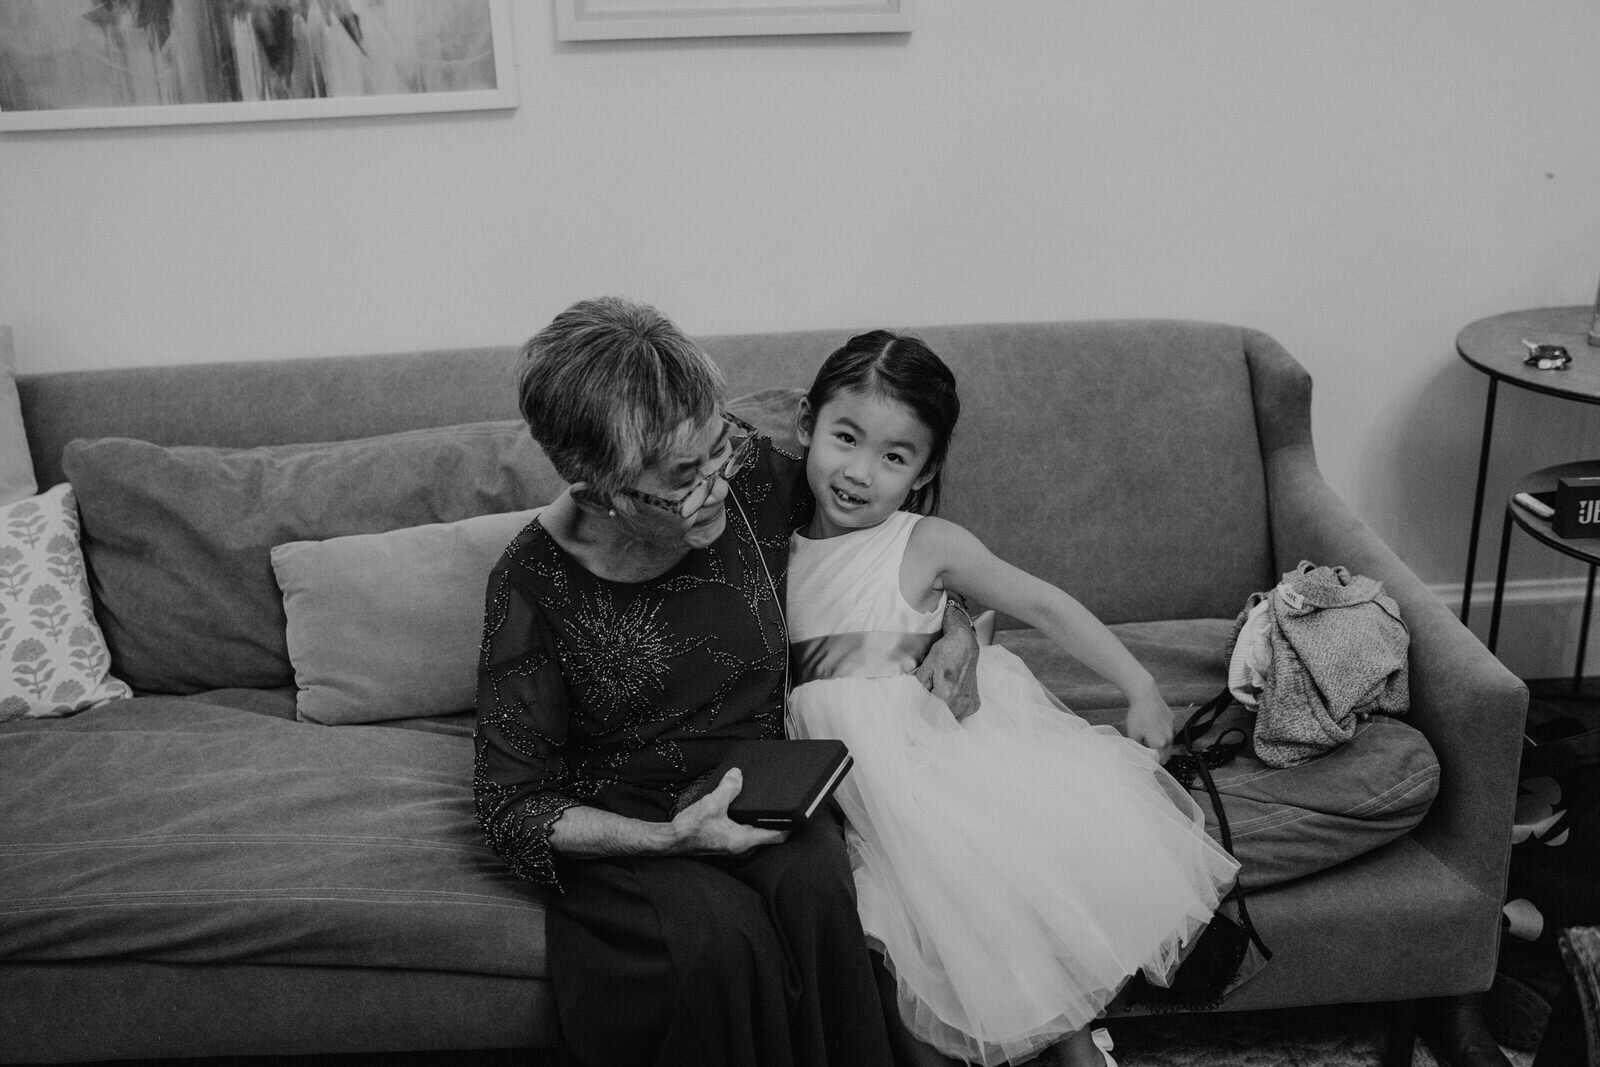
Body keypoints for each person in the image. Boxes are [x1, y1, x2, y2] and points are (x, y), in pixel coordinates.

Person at [473, 297, 980, 1067]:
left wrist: (957, 623)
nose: (719, 482)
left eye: (718, 451)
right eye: (685, 476)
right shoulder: (531, 582)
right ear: (596, 485)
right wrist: (667, 837)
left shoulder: (744, 468)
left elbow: (875, 548)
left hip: (764, 780)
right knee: (720, 946)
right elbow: (511, 806)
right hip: (632, 819)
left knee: (820, 893)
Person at [783, 330, 1242, 1067]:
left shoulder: (926, 543)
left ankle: (1081, 1049)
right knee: (908, 985)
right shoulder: (775, 543)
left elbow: (1046, 605)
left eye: (894, 456)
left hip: (932, 779)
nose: (860, 471)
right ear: (807, 425)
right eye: (845, 437)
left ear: (924, 469)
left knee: (1014, 943)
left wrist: (1140, 684)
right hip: (855, 808)